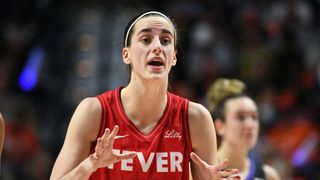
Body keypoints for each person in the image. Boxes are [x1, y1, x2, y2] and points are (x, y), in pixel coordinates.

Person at [50, 11, 240, 180]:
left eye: (165, 41)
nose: (157, 47)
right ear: (126, 54)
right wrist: (89, 165)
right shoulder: (93, 111)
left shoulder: (196, 118)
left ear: (173, 56)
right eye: (146, 39)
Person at [206, 78, 281, 180]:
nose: (250, 125)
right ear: (220, 126)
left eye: (254, 117)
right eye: (240, 117)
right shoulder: (201, 172)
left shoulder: (269, 176)